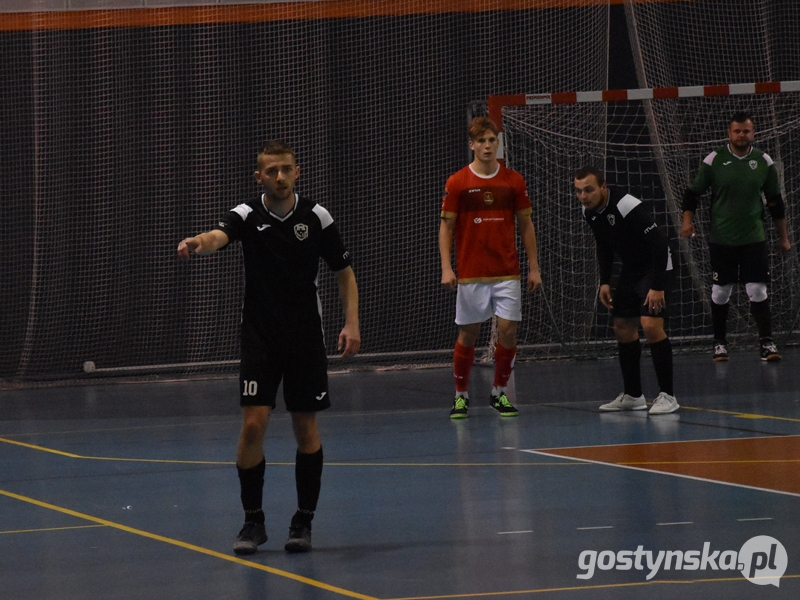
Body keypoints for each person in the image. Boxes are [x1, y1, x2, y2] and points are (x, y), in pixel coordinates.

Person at [177, 140, 360, 555]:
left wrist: (351, 323)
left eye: (286, 169)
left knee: (304, 427)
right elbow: (218, 235)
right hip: (260, 335)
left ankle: (303, 521)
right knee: (253, 425)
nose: (280, 176)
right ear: (259, 176)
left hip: (305, 337)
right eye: (272, 171)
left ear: (298, 172)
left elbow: (344, 272)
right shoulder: (247, 214)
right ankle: (253, 521)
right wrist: (197, 243)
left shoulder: (317, 217)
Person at [439, 116, 542, 419]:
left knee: (508, 333)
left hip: (507, 272)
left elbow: (526, 225)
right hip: (471, 273)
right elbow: (445, 228)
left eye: (491, 140)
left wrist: (533, 267)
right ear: (471, 145)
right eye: (481, 141)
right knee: (468, 334)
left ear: (499, 143)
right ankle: (460, 396)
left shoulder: (514, 181)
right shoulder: (458, 182)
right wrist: (447, 267)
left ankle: (499, 392)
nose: (487, 145)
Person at [681, 111, 791, 362]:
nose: (742, 135)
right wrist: (687, 222)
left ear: (753, 133)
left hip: (754, 237)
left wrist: (783, 237)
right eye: (737, 131)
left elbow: (775, 202)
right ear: (729, 133)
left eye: (746, 131)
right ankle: (719, 343)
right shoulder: (714, 160)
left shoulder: (763, 161)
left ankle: (767, 344)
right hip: (722, 238)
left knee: (758, 290)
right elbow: (692, 193)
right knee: (721, 292)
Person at [575, 166, 679, 415]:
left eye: (589, 190)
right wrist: (604, 281)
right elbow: (604, 246)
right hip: (632, 270)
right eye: (578, 191)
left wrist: (657, 286)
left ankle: (668, 396)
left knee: (651, 325)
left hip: (656, 267)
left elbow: (660, 243)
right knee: (622, 325)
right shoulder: (589, 212)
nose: (583, 196)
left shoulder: (626, 205)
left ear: (603, 187)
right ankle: (633, 395)